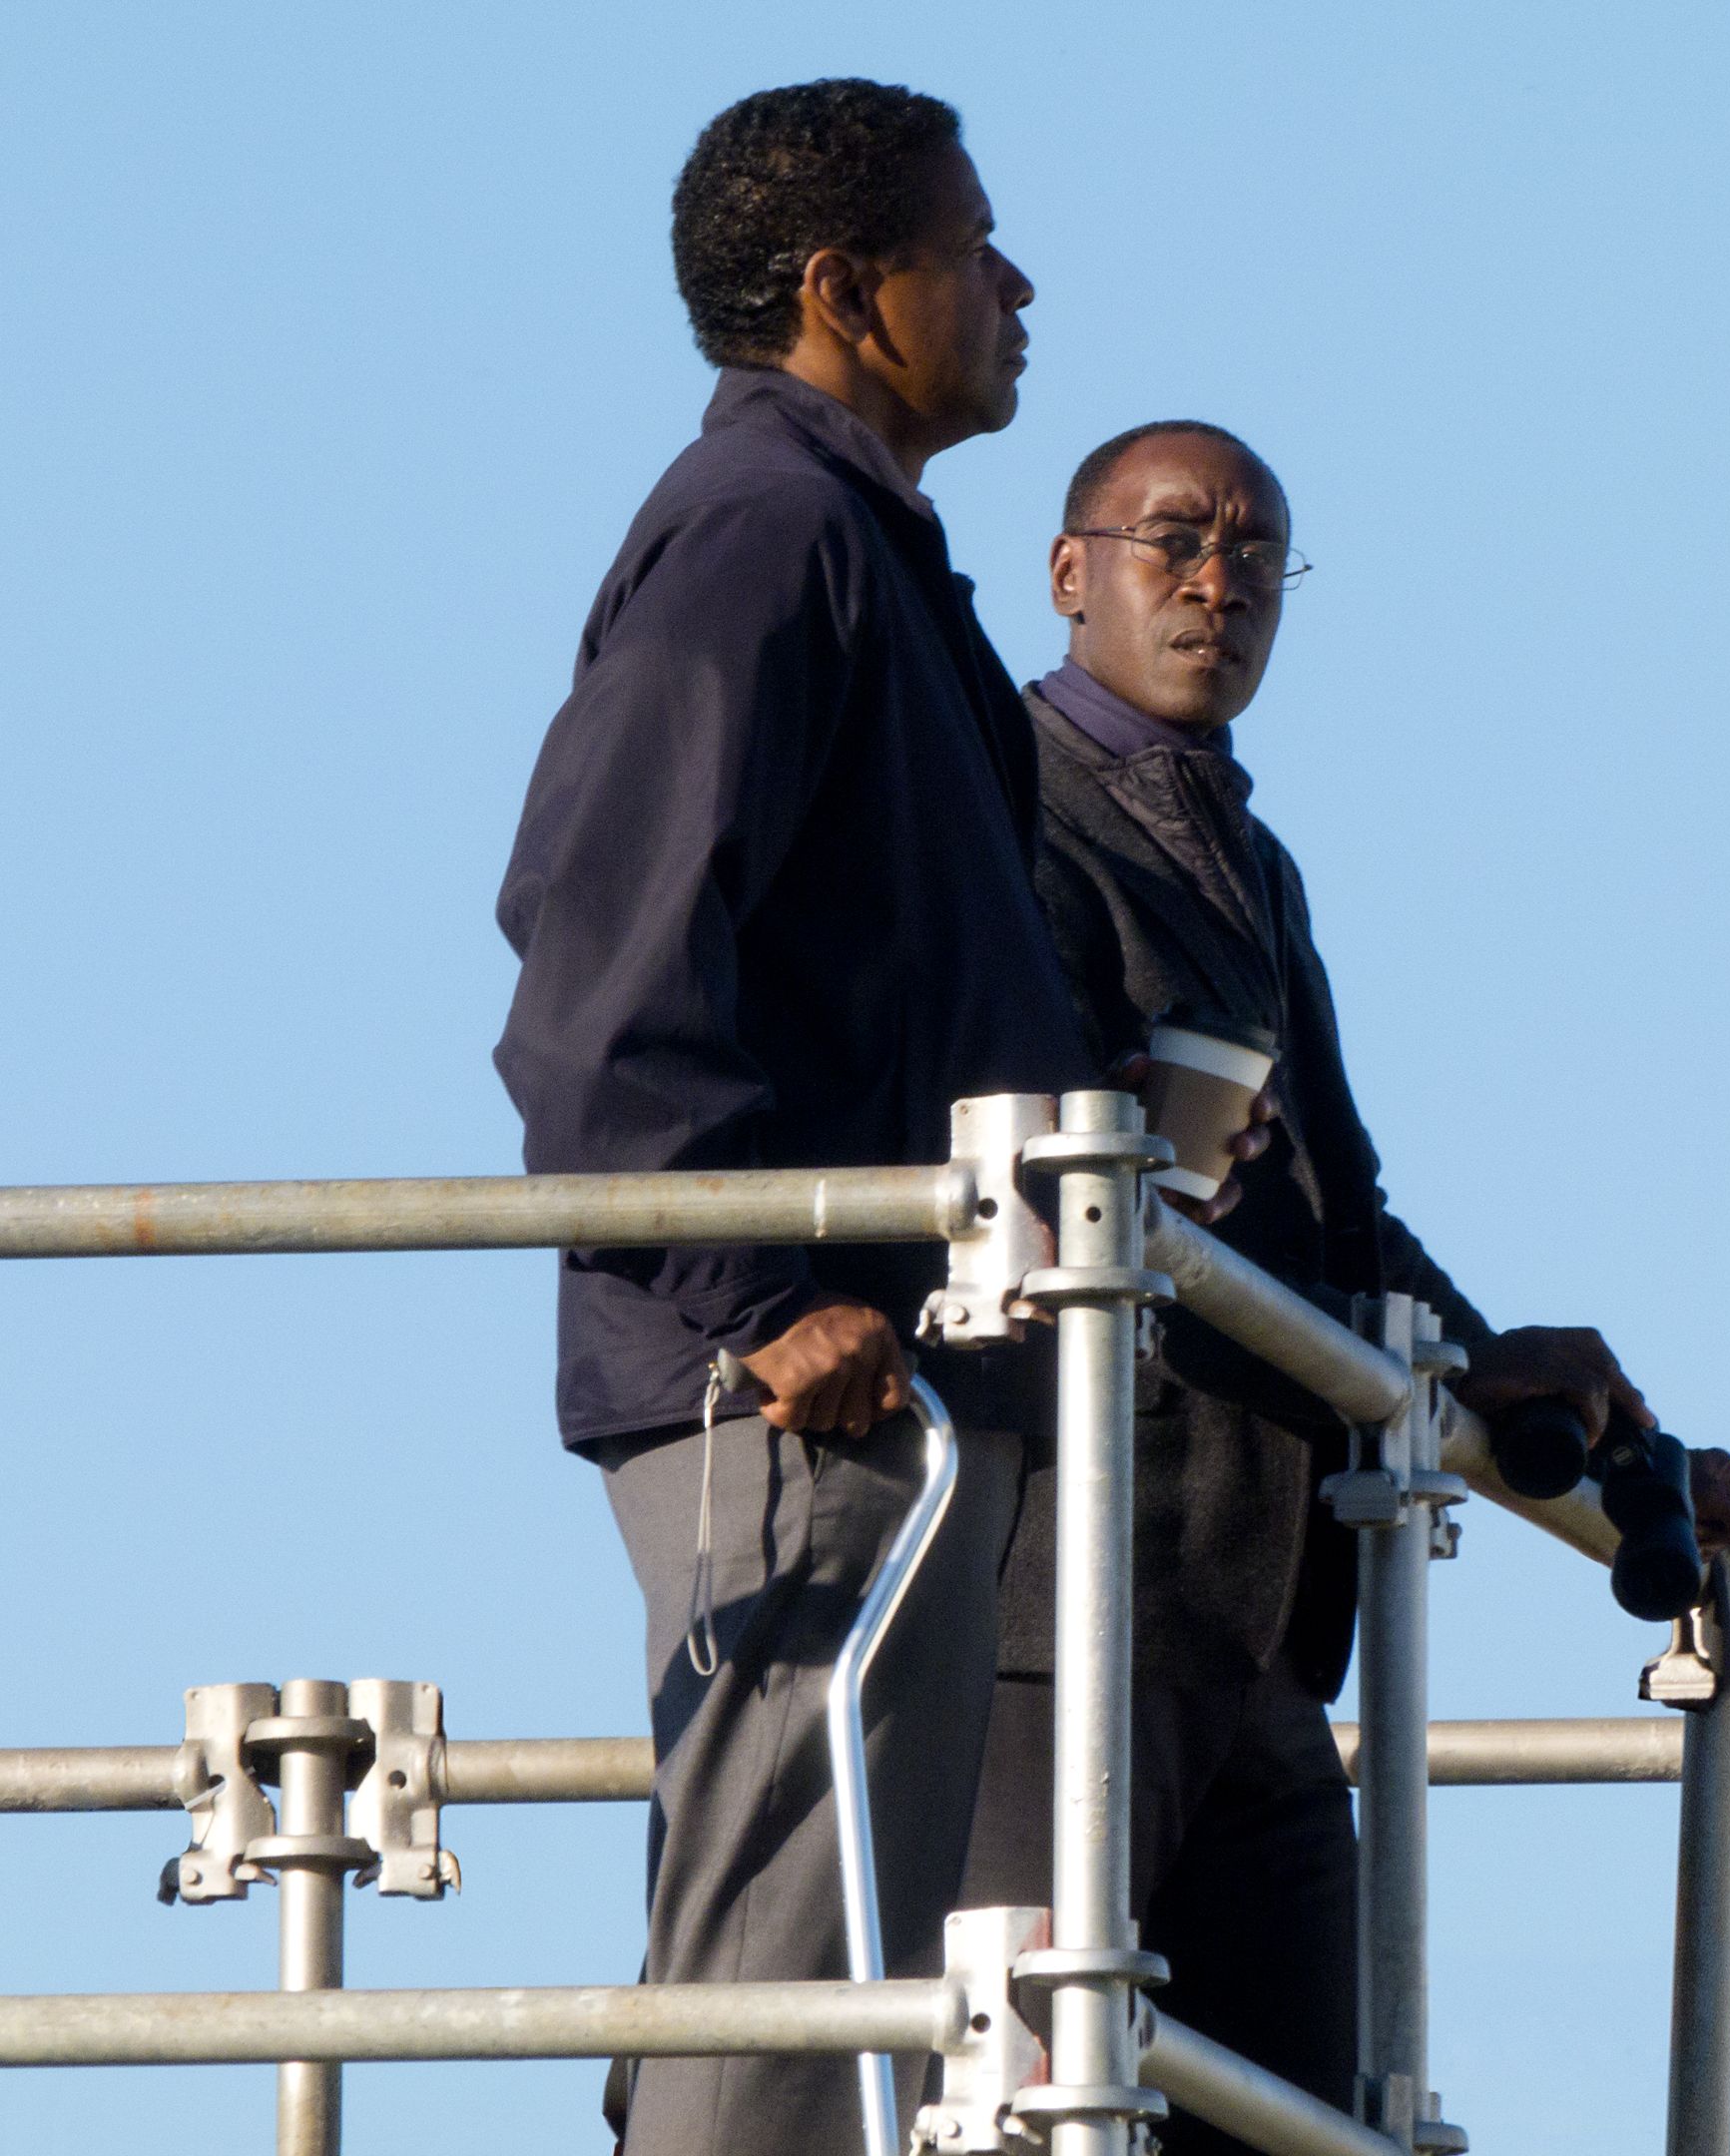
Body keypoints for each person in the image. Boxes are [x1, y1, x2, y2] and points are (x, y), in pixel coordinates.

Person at [959, 420, 1730, 2147]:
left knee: (1291, 2122)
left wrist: (1521, 1386)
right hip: (1058, 1602)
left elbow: (1340, 1218)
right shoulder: (997, 806)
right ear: (1069, 571)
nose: (1217, 582)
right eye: (1176, 537)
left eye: (1258, 555)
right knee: (1029, 2102)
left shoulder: (1251, 862)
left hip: (1264, 1621)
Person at [492, 81, 1097, 2156]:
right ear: (847, 291)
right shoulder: (768, 531)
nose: (1017, 288)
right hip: (805, 1396)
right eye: (973, 246)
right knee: (780, 2011)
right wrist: (757, 1292)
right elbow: (600, 954)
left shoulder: (862, 549)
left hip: (882, 1388)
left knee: (818, 2008)